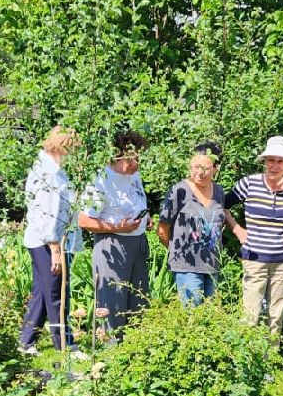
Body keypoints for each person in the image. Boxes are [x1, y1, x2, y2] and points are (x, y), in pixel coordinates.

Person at [225, 136, 283, 337]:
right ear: (264, 161)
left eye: (280, 161)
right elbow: (223, 206)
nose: (275, 165)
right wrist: (237, 229)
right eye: (271, 160)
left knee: (276, 314)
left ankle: (271, 353)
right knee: (250, 313)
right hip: (254, 258)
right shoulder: (249, 183)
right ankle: (248, 354)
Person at [78, 129, 151, 339]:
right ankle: (109, 348)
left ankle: (134, 348)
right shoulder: (101, 180)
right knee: (113, 301)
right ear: (116, 156)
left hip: (137, 243)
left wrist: (145, 218)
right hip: (112, 246)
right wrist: (118, 227)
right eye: (131, 159)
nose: (136, 164)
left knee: (138, 301)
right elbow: (84, 221)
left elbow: (134, 202)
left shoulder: (134, 175)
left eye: (138, 159)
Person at [19, 125, 84, 356]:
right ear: (63, 145)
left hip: (50, 240)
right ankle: (65, 344)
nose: (75, 152)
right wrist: (55, 248)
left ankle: (26, 342)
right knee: (57, 293)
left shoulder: (54, 168)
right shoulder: (48, 173)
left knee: (42, 292)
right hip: (49, 242)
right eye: (74, 147)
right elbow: (45, 212)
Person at [157, 151, 236, 305]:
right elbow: (162, 229)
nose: (200, 172)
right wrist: (178, 251)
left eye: (206, 168)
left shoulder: (219, 191)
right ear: (190, 167)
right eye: (196, 167)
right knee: (192, 313)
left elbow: (219, 220)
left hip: (212, 264)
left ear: (215, 169)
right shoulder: (179, 190)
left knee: (212, 313)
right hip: (187, 265)